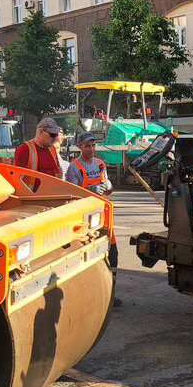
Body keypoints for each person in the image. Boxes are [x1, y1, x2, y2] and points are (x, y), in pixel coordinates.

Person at [66, 131, 120, 306]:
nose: (91, 149)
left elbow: (107, 188)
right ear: (80, 146)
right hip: (85, 219)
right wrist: (91, 189)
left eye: (93, 145)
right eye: (87, 145)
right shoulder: (74, 168)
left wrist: (109, 186)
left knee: (112, 252)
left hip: (103, 215)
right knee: (89, 255)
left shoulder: (100, 164)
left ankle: (111, 292)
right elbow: (72, 195)